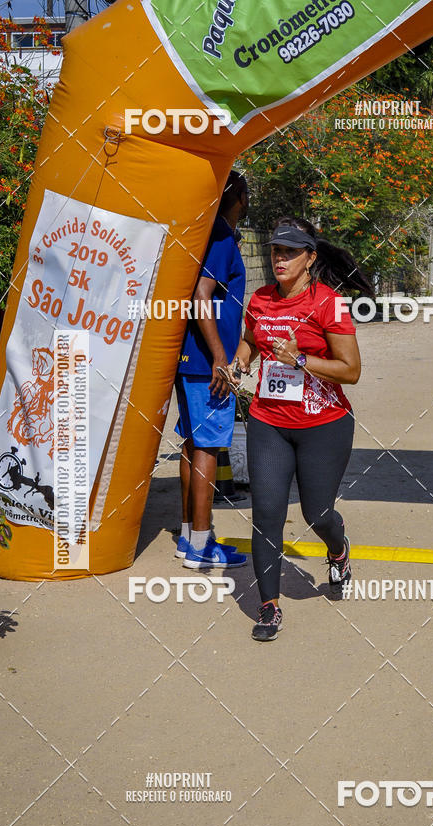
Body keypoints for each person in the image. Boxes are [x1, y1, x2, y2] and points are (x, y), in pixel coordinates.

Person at [232, 216, 372, 641]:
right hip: (268, 421)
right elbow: (251, 341)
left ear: (310, 258)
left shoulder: (329, 302)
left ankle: (338, 547)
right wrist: (240, 362)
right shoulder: (260, 300)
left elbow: (351, 371)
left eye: (290, 252)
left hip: (324, 425)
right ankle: (269, 607)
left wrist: (301, 361)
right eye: (276, 250)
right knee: (266, 516)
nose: (279, 258)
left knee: (318, 513)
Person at [174, 171, 248, 568]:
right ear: (238, 195)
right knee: (206, 448)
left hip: (190, 359)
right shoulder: (219, 235)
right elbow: (201, 294)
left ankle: (189, 537)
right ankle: (201, 549)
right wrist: (221, 356)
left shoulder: (207, 232)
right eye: (246, 190)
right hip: (207, 363)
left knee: (191, 445)